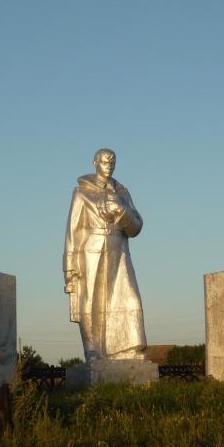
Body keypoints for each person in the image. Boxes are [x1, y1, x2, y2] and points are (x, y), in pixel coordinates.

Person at [63, 148, 147, 362]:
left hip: (119, 250)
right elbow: (72, 231)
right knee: (91, 300)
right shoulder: (82, 192)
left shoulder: (123, 193)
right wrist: (69, 267)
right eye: (104, 161)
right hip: (91, 251)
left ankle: (129, 348)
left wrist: (122, 211)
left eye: (112, 161)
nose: (109, 165)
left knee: (128, 298)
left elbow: (136, 227)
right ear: (95, 163)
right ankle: (93, 349)